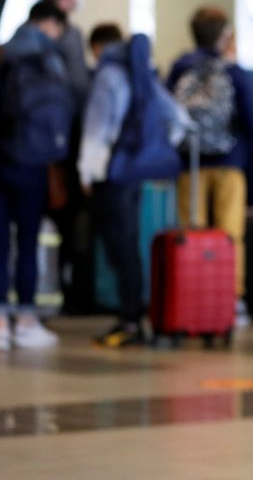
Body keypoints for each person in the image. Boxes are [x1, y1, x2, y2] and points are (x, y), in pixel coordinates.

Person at [79, 25, 190, 347]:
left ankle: (129, 318)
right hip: (135, 176)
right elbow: (179, 119)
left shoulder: (108, 76)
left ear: (100, 48)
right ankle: (133, 315)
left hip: (111, 175)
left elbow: (97, 129)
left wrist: (88, 172)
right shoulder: (142, 74)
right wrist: (148, 152)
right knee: (130, 244)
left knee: (118, 245)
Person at [0, 2, 74, 351]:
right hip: (32, 164)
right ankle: (25, 320)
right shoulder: (48, 58)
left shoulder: (0, 53)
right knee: (27, 244)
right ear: (50, 23)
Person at [167, 6, 253, 326]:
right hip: (229, 163)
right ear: (224, 36)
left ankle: (191, 293)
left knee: (190, 230)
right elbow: (252, 125)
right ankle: (231, 301)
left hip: (189, 164)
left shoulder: (180, 68)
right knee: (229, 234)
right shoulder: (234, 73)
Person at [41, 0, 92, 313]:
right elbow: (79, 89)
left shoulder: (28, 32)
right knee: (73, 222)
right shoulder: (69, 36)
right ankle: (75, 295)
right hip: (66, 147)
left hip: (35, 147)